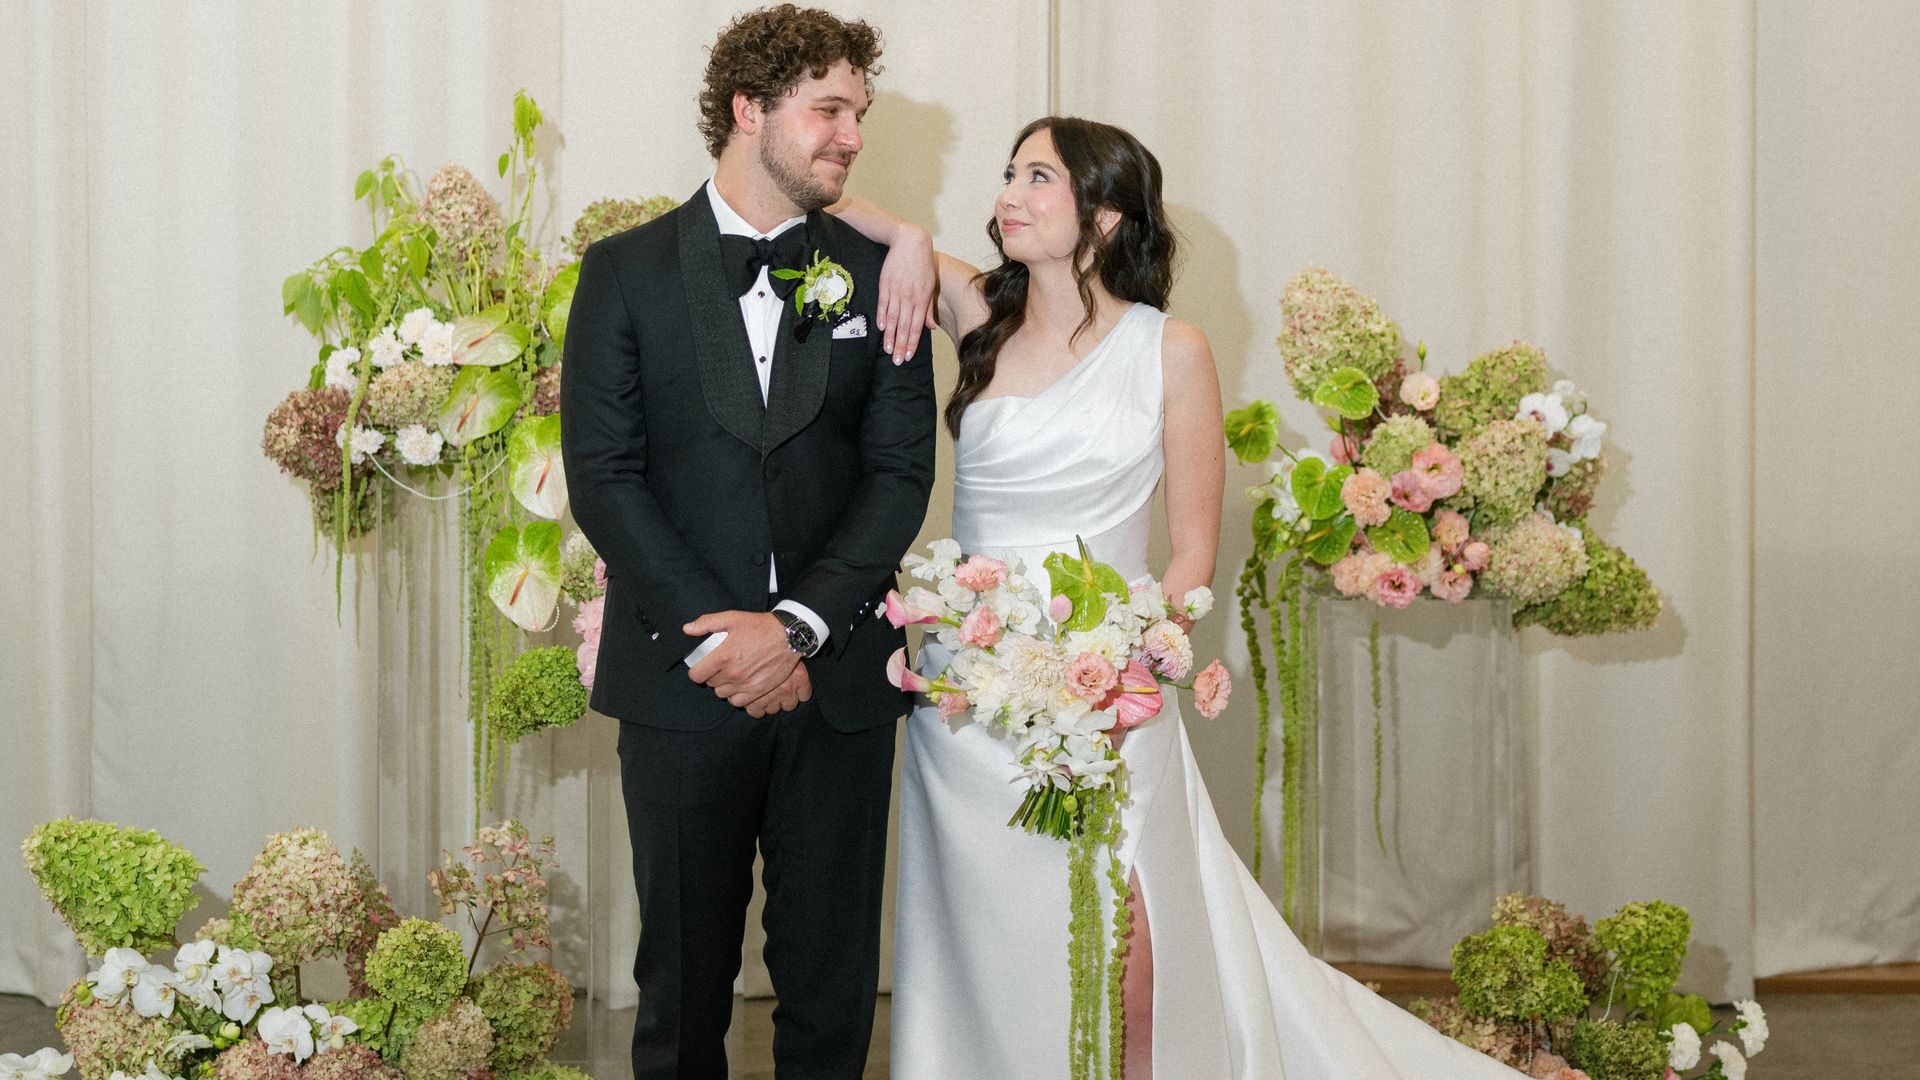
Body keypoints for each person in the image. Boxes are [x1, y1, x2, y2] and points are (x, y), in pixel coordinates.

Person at [833, 117, 1527, 1078]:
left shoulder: (1172, 349)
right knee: (991, 930)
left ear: (1106, 216)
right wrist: (911, 237)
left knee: (1130, 938)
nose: (1008, 195)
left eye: (1039, 177)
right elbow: (835, 203)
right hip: (968, 696)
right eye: (1007, 174)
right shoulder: (975, 314)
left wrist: (1113, 672)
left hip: (1104, 685)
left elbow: (1192, 555)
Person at [558, 7, 935, 1079]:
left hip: (842, 681)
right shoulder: (624, 270)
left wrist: (801, 626)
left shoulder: (879, 274)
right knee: (680, 992)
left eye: (858, 112)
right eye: (827, 110)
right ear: (747, 109)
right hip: (685, 685)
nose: (851, 134)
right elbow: (606, 477)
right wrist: (719, 642)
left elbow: (901, 472)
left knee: (830, 989)